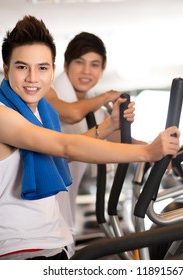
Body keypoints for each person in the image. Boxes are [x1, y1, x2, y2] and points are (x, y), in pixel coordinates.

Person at [0, 15, 180, 260]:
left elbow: (61, 154)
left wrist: (110, 126)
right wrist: (146, 153)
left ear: (52, 72)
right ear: (6, 70)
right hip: (22, 252)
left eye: (42, 68)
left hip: (53, 243)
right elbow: (66, 147)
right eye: (22, 67)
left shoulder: (41, 113)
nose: (32, 77)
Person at [45, 32, 142, 253]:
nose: (87, 71)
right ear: (67, 65)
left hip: (63, 206)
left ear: (103, 68)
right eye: (80, 62)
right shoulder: (49, 91)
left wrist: (156, 150)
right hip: (41, 204)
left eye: (95, 64)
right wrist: (105, 97)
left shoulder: (92, 107)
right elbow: (70, 114)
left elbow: (118, 138)